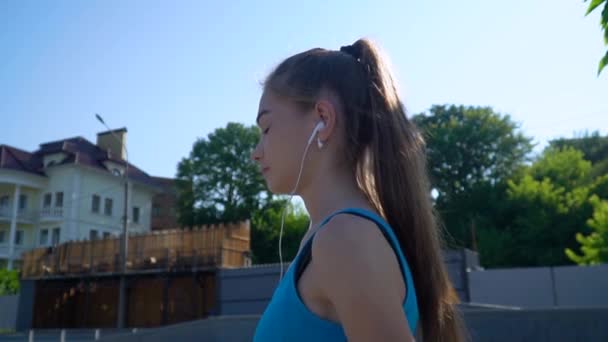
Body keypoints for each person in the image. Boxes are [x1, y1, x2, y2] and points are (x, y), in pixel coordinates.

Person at [251, 38, 465, 342]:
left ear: (322, 120)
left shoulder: (344, 238)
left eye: (266, 128)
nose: (256, 152)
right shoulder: (330, 237)